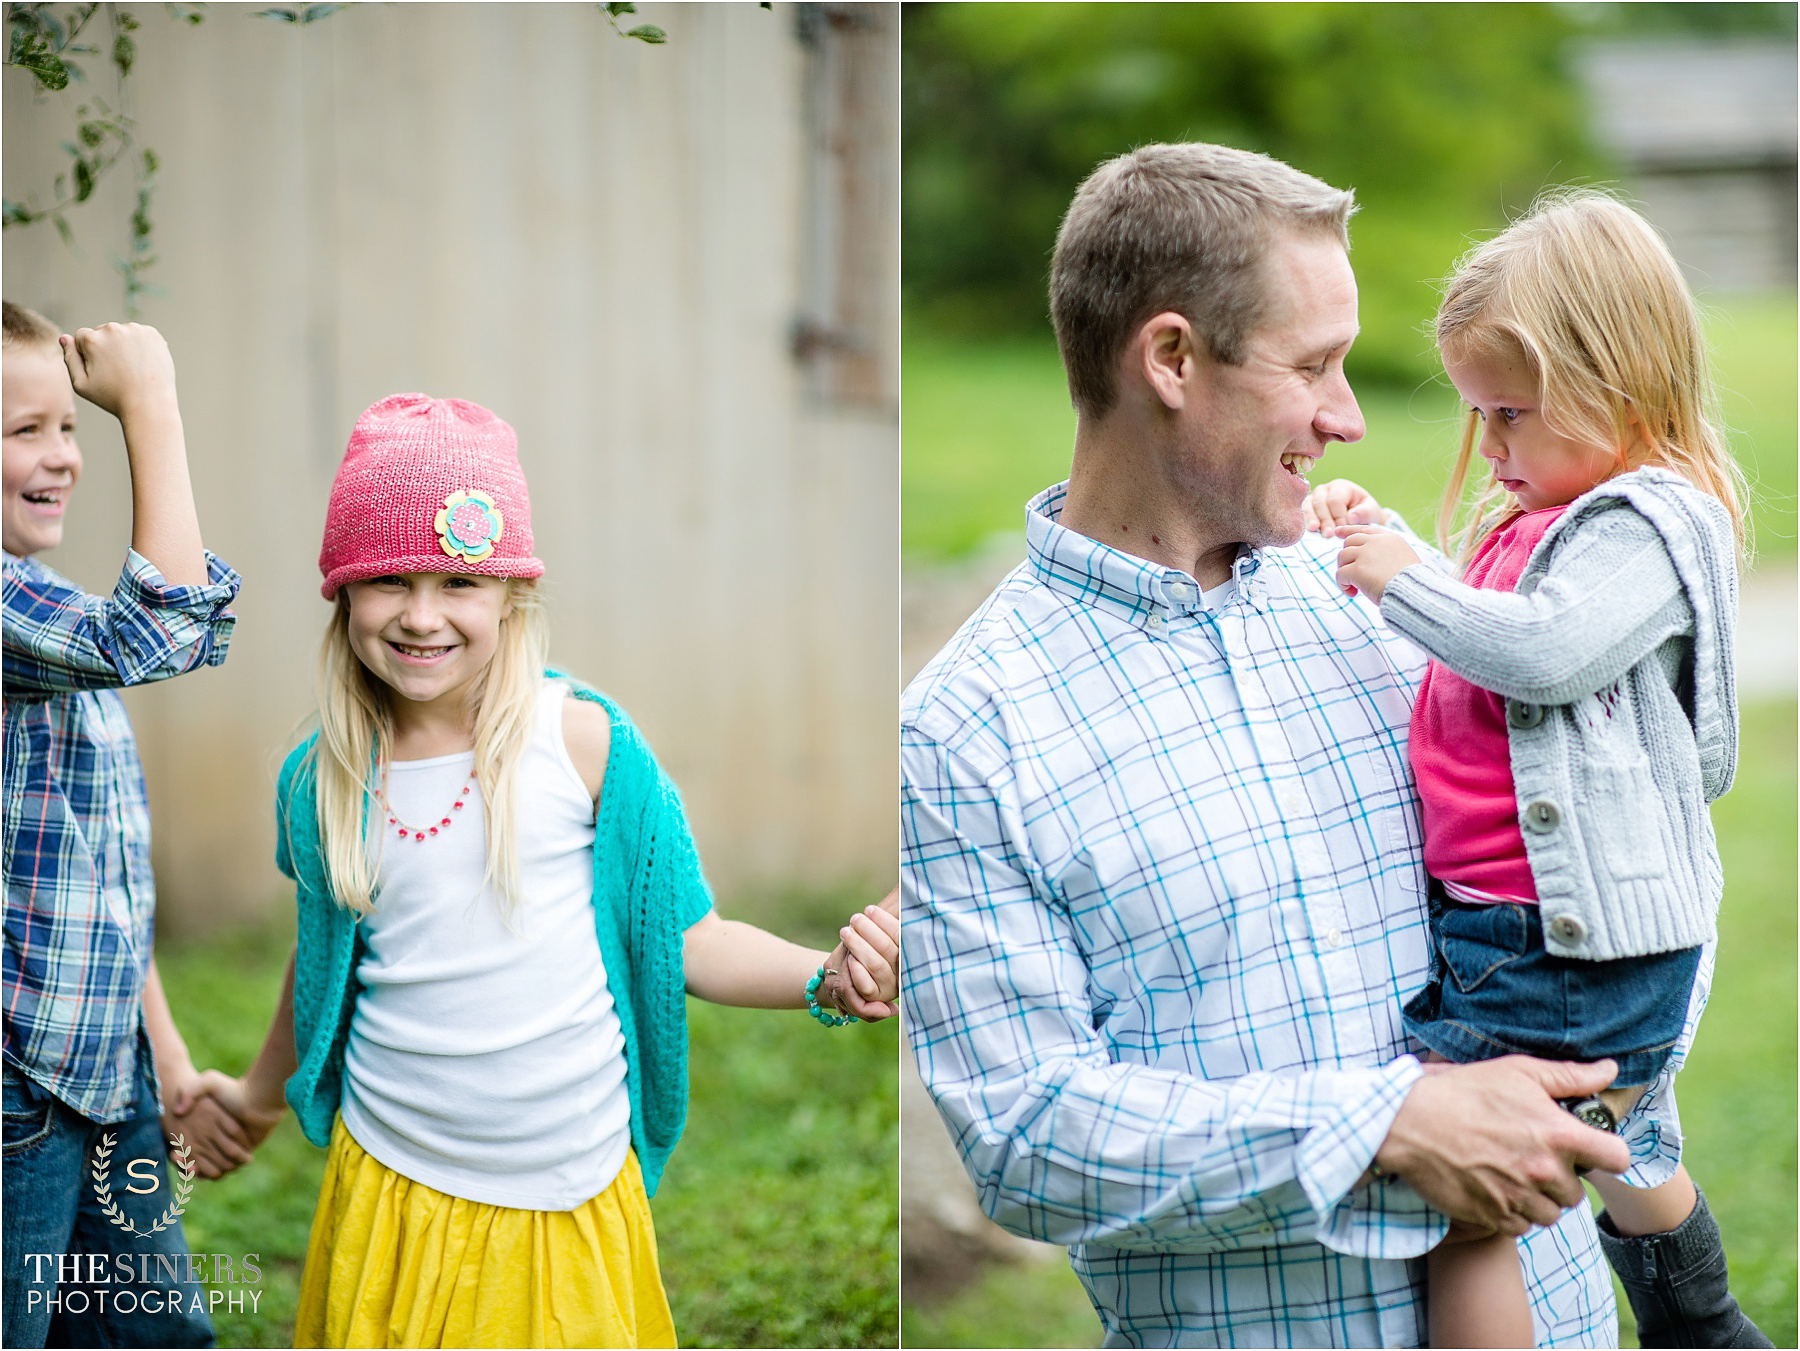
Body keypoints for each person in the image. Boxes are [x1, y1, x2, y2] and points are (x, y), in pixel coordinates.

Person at [900, 144, 1695, 1347]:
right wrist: (1389, 1125)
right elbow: (1025, 1141)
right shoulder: (967, 728)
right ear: (1170, 358)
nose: (1350, 415)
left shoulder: (1384, 608)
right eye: (1314, 365)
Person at [174, 392, 899, 1349]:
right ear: (342, 592)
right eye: (389, 579)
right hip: (393, 1180)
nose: (422, 615)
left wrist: (823, 977)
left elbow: (692, 938)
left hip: (563, 1191)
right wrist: (256, 1099)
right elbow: (318, 971)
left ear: (512, 594)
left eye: (459, 583)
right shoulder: (320, 780)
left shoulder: (583, 744)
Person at [1317, 191, 1765, 1349]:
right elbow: (1478, 650)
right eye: (1480, 416)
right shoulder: (1547, 509)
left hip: (1562, 943)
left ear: (1617, 380)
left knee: (1467, 1198)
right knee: (1635, 1139)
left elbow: (1546, 652)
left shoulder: (1655, 522)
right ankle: (1704, 1328)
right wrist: (1380, 537)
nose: (1495, 448)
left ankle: (1701, 1325)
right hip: (1530, 933)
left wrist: (1405, 576)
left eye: (1511, 414)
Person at [2, 304, 243, 1348]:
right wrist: (149, 402)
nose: (64, 455)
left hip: (103, 1070)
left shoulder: (39, 604)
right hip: (18, 1093)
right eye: (26, 430)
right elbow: (160, 633)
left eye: (73, 426)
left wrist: (167, 1053)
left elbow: (100, 884)